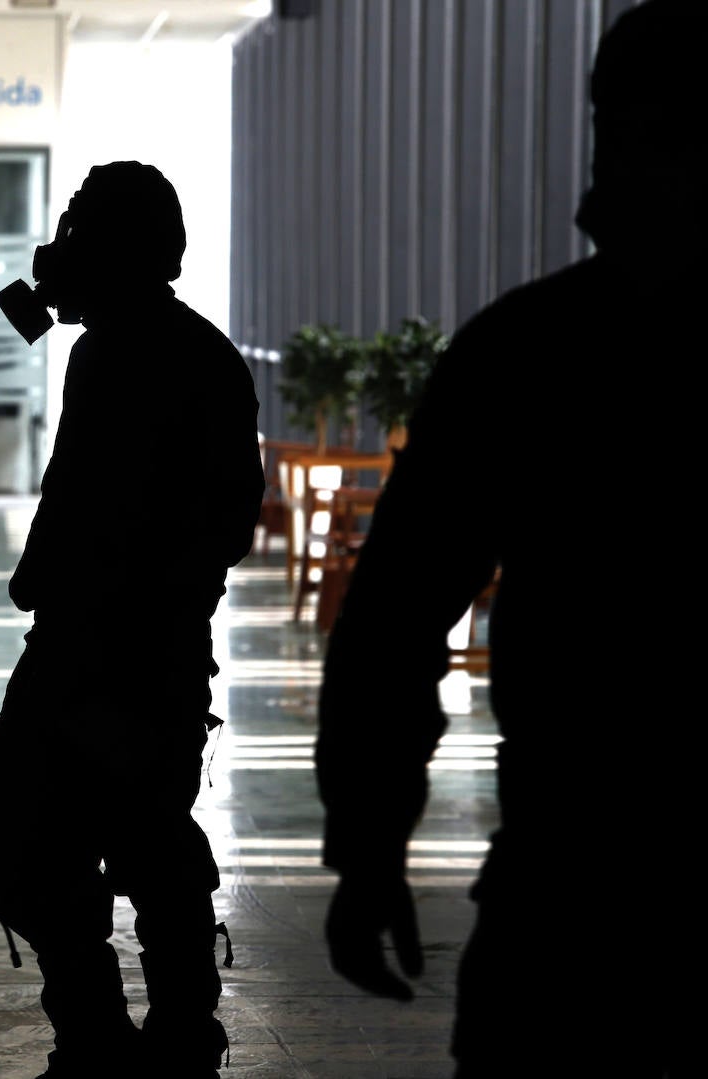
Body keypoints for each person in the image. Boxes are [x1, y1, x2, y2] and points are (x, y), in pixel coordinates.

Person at [314, 2, 702, 1075]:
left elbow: (394, 613)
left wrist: (371, 845)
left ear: (608, 132)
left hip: (572, 884)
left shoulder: (530, 349)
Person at [0, 161, 265, 1078]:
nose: (59, 252)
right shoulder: (195, 353)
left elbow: (94, 502)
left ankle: (106, 1041)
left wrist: (61, 585)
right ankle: (177, 1038)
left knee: (38, 851)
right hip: (154, 654)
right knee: (144, 839)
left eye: (78, 231)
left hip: (96, 653)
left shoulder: (119, 354)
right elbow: (228, 518)